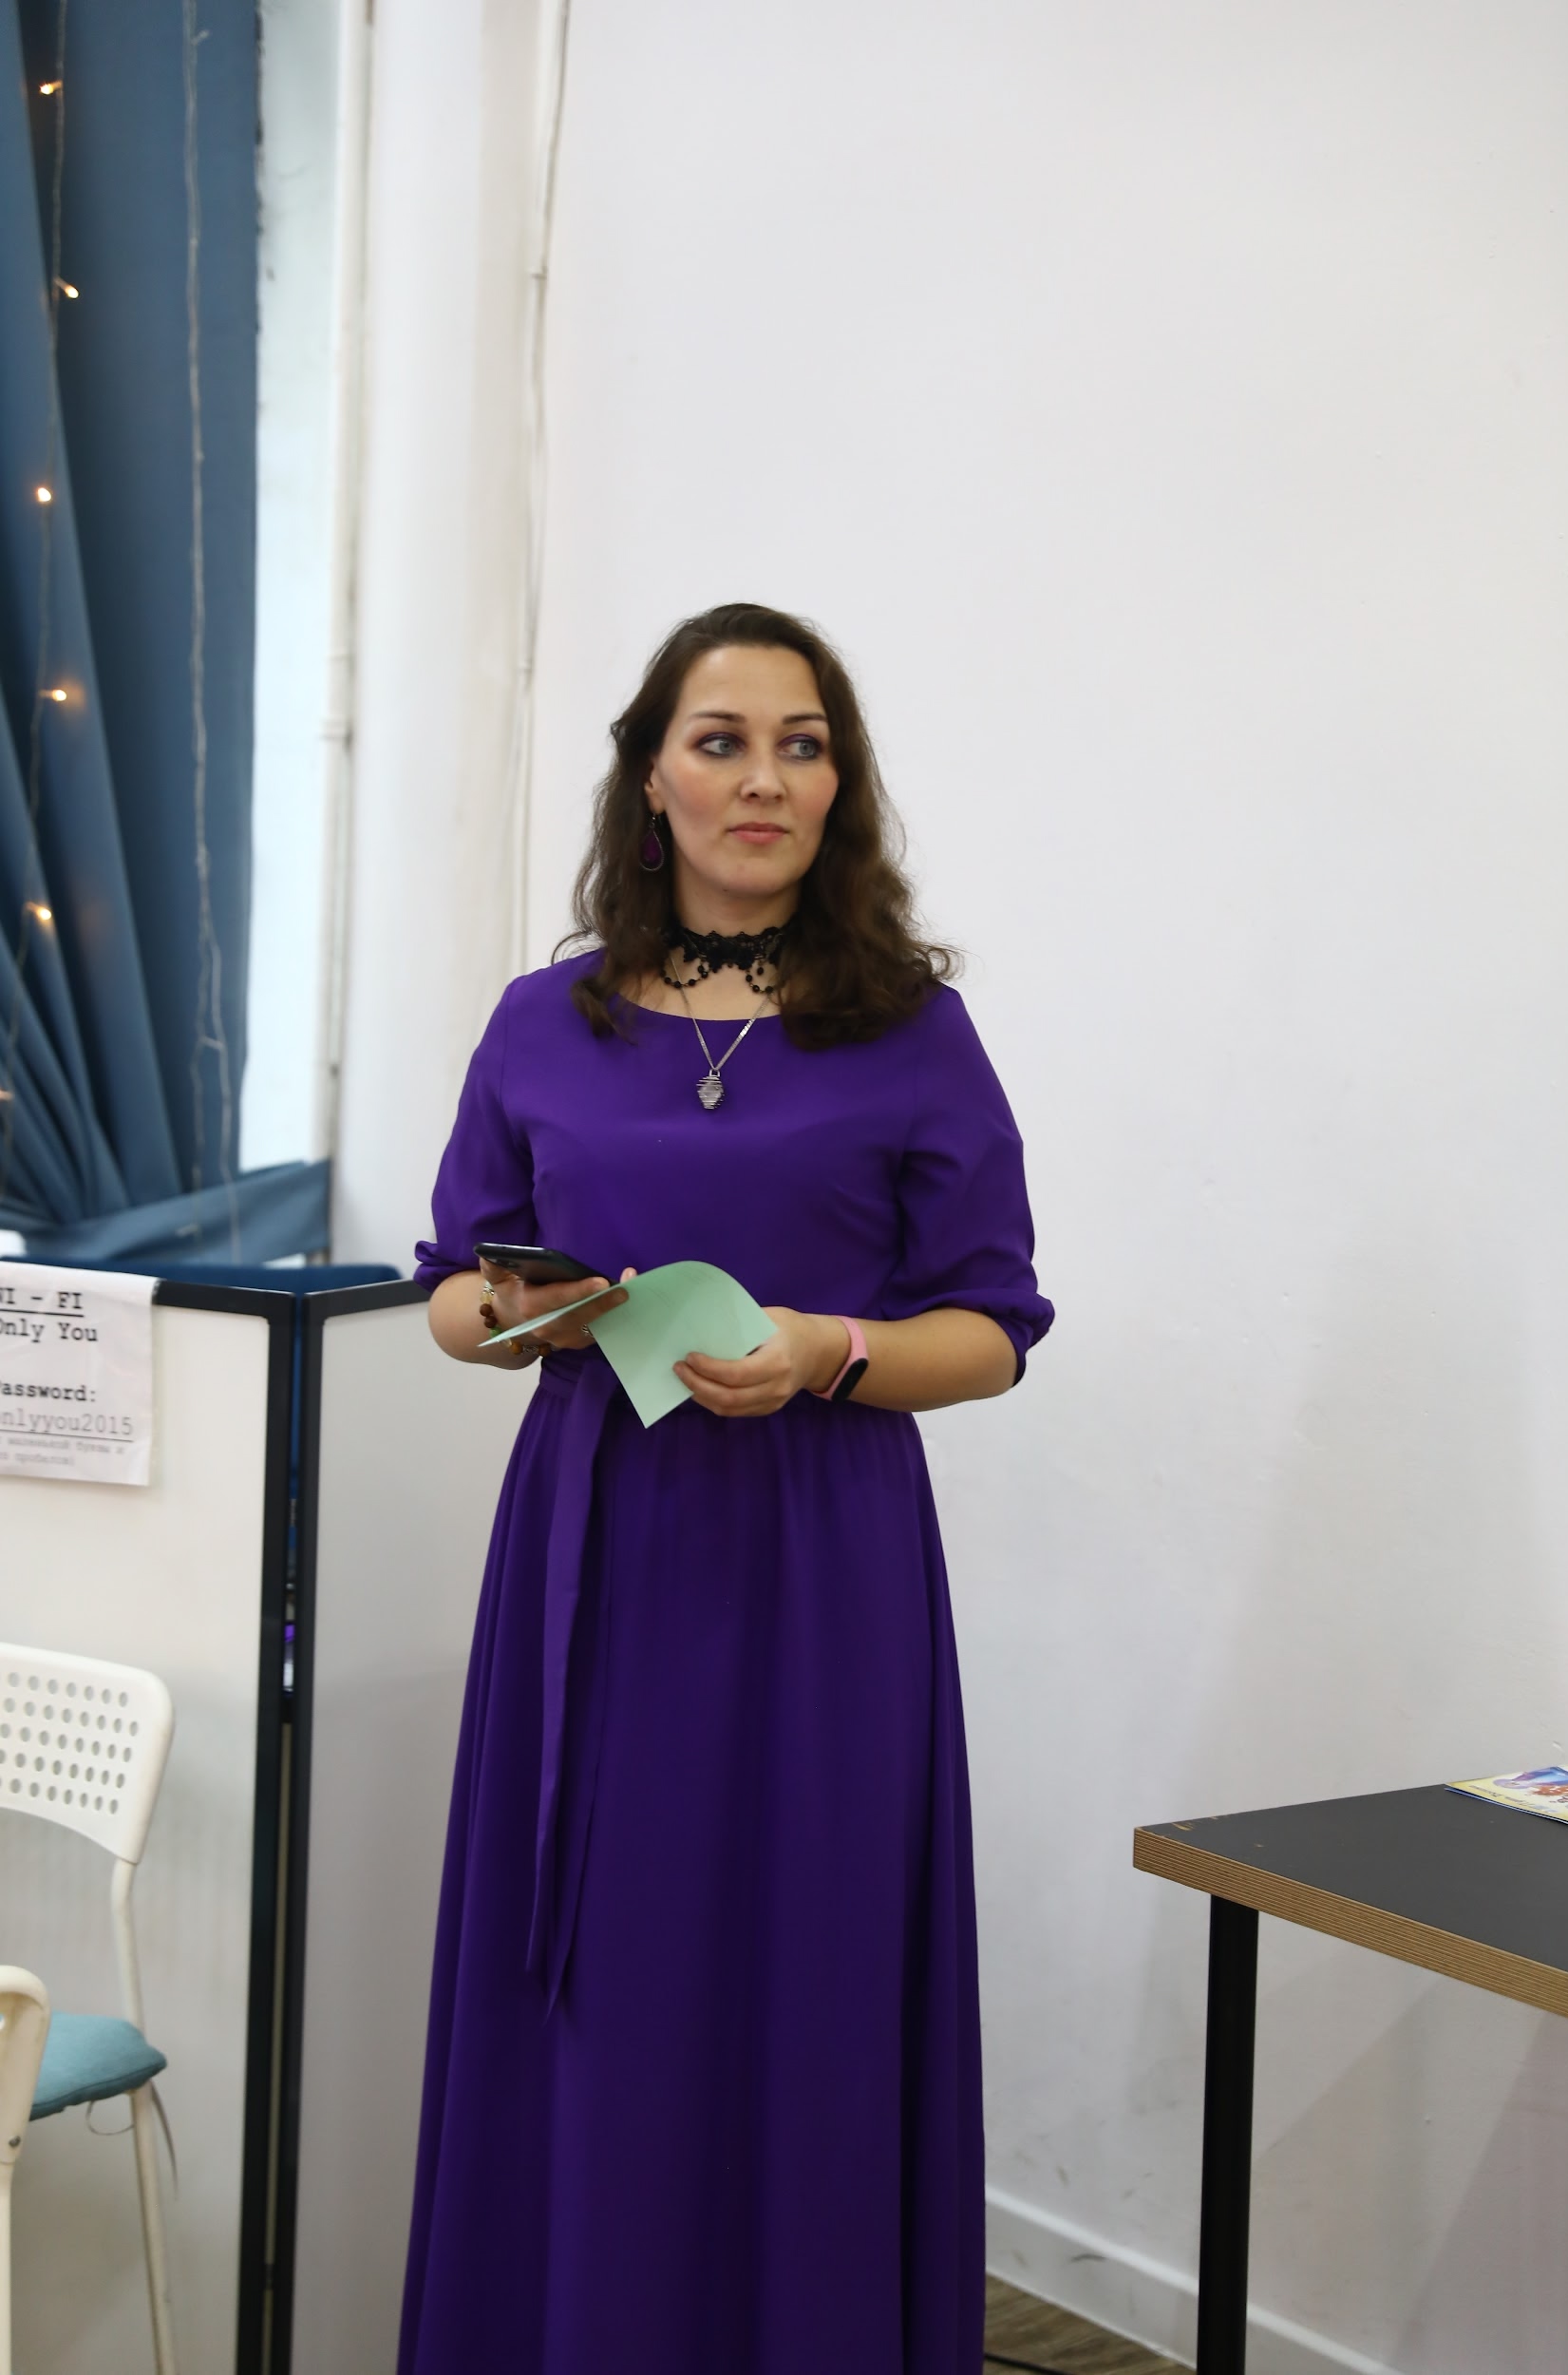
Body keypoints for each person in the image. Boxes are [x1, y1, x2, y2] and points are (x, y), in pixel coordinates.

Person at [401, 602, 1052, 2375]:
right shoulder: (543, 1023)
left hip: (822, 1563)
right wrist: (519, 1315)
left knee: (803, 1969)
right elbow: (451, 1286)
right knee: (602, 1972)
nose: (765, 778)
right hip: (594, 1548)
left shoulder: (912, 1032)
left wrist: (830, 1346)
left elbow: (993, 1328)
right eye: (722, 740)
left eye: (802, 745)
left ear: (840, 788)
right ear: (652, 778)